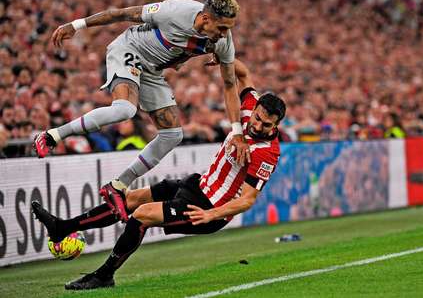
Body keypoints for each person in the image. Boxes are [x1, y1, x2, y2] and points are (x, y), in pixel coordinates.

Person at [31, 59, 286, 290]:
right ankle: (62, 227)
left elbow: (248, 199)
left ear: (276, 125)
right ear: (255, 109)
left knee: (141, 216)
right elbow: (243, 71)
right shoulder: (251, 104)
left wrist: (211, 215)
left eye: (266, 124)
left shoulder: (267, 153)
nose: (257, 125)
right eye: (257, 118)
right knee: (128, 199)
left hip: (208, 209)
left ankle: (104, 275)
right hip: (197, 185)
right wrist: (223, 56)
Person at [32, 0, 250, 222]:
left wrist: (237, 132)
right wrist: (76, 25)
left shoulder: (222, 41)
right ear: (206, 19)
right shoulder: (173, 11)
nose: (226, 34)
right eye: (223, 28)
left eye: (229, 28)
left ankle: (118, 185)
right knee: (125, 110)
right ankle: (51, 136)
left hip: (152, 72)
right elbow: (121, 14)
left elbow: (229, 84)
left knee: (172, 135)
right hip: (129, 50)